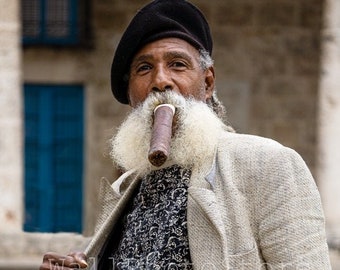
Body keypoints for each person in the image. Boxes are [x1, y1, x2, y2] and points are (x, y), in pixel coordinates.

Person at [39, 0, 331, 269]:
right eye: (144, 68)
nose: (161, 80)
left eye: (177, 64)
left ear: (207, 83)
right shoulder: (125, 189)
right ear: (131, 95)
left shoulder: (267, 164)